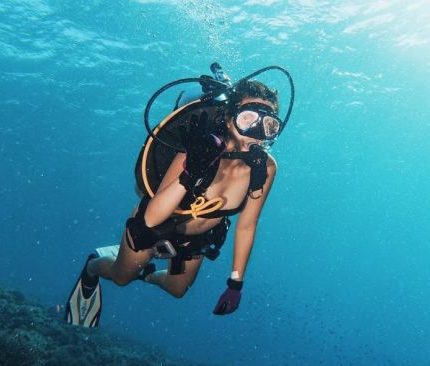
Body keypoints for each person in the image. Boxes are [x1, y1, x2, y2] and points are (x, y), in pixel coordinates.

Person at [65, 68, 291, 327]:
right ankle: (93, 266)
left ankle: (147, 272)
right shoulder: (198, 149)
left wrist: (235, 282)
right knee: (121, 277)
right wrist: (191, 171)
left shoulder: (265, 168)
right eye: (248, 118)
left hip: (198, 238)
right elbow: (151, 217)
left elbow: (247, 225)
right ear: (229, 119)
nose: (256, 131)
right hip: (157, 226)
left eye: (268, 125)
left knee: (177, 290)